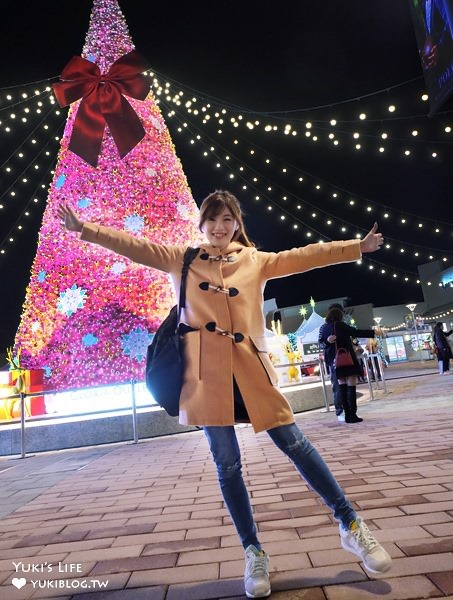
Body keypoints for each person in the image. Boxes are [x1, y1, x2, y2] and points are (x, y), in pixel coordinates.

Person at [57, 190, 391, 598]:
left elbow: (306, 255)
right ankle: (253, 553)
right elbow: (135, 246)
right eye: (213, 219)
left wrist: (357, 247)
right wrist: (85, 230)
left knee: (297, 443)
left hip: (251, 370)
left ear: (237, 224)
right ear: (201, 223)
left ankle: (351, 524)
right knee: (228, 464)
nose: (220, 227)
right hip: (204, 376)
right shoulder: (180, 259)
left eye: (227, 219)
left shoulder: (255, 261)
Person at [318, 305, 375, 424]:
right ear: (340, 315)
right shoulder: (341, 325)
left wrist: (328, 341)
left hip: (335, 362)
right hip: (347, 360)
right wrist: (374, 332)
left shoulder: (323, 328)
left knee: (341, 388)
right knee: (351, 388)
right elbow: (355, 332)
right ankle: (352, 415)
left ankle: (344, 414)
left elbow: (321, 343)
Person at [318, 303, 346, 421]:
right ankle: (340, 411)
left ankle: (347, 410)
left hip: (346, 358)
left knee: (346, 385)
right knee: (337, 385)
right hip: (333, 360)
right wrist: (328, 341)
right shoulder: (324, 327)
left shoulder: (344, 325)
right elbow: (320, 343)